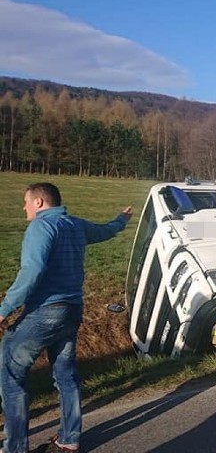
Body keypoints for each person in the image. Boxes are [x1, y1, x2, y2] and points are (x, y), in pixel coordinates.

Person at [0, 183, 132, 453]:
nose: (23, 207)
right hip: (71, 310)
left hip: (44, 312)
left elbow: (31, 272)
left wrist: (4, 310)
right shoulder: (74, 224)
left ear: (39, 202)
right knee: (65, 375)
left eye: (25, 202)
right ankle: (69, 438)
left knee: (11, 377)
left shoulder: (41, 226)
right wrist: (121, 219)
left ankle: (14, 447)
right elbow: (105, 231)